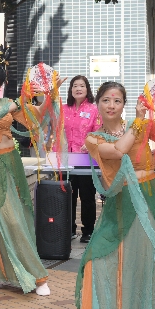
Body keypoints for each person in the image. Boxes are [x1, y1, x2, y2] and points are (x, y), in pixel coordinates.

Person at [75, 78, 155, 309]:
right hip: (121, 202)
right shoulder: (94, 138)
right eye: (105, 100)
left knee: (146, 261)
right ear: (97, 105)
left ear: (123, 104)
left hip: (149, 198)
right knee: (96, 260)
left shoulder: (142, 126)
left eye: (117, 100)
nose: (111, 105)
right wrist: (138, 122)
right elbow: (118, 150)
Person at [0, 45, 65, 296]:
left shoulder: (9, 103)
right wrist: (18, 102)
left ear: (0, 86)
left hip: (10, 162)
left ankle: (36, 276)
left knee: (17, 217)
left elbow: (37, 119)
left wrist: (50, 94)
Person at [61, 75, 100, 243]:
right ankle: (69, 229)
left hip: (86, 159)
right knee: (67, 194)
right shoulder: (63, 109)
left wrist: (90, 143)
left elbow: (98, 132)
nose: (78, 88)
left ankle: (88, 230)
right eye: (75, 85)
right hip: (66, 159)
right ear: (71, 90)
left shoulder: (94, 109)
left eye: (81, 86)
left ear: (87, 89)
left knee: (87, 196)